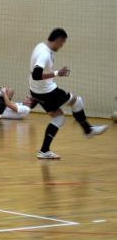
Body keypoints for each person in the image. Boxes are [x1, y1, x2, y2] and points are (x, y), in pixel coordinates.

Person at [30, 28, 108, 159]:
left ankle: (44, 151)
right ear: (59, 39)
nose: (61, 46)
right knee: (77, 101)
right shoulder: (44, 53)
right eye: (62, 43)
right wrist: (57, 73)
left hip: (36, 91)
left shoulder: (40, 46)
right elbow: (36, 74)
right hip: (47, 91)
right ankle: (88, 130)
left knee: (59, 118)